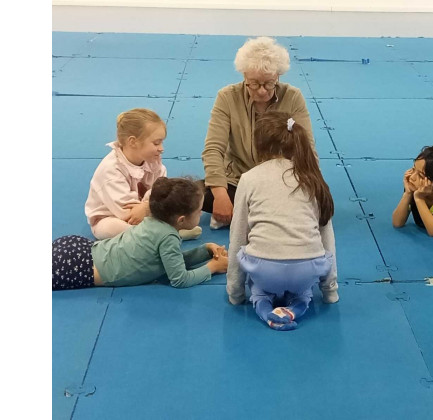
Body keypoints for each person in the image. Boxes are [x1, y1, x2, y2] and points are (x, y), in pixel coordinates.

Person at [226, 111, 339, 331]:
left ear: (258, 146)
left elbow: (238, 235)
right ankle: (297, 306)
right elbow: (327, 240)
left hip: (265, 270)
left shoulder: (249, 178)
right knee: (304, 289)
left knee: (257, 286)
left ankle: (263, 306)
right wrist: (330, 291)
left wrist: (235, 293)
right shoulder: (313, 178)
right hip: (306, 269)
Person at [201, 36, 317, 229]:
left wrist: (312, 186)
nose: (262, 91)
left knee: (312, 200)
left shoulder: (293, 97)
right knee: (196, 196)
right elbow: (213, 149)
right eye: (254, 83)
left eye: (269, 83)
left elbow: (307, 148)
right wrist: (220, 196)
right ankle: (264, 213)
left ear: (278, 76)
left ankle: (246, 213)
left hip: (281, 180)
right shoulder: (227, 97)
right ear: (244, 76)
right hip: (238, 180)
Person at [53, 177, 228, 291]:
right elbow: (180, 279)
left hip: (79, 248)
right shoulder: (168, 237)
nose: (201, 214)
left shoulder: (154, 220)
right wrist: (213, 267)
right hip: (80, 268)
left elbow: (172, 261)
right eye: (198, 211)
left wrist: (205, 250)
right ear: (181, 220)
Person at [85, 108, 202, 240]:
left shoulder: (152, 161)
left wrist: (147, 206)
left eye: (162, 142)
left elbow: (161, 191)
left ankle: (160, 233)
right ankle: (168, 233)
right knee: (112, 228)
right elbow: (128, 214)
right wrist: (150, 207)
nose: (161, 148)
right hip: (113, 216)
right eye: (156, 143)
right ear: (133, 142)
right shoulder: (111, 170)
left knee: (176, 201)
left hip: (147, 210)